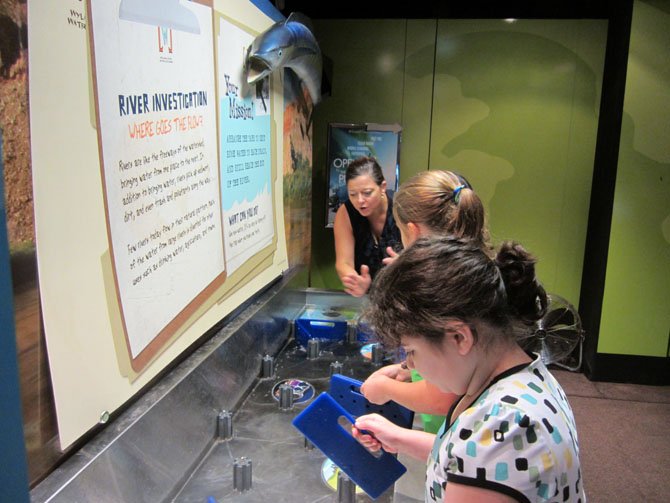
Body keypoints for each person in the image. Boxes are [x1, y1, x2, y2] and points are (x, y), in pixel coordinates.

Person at [354, 236, 585, 503]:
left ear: (460, 338)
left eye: (411, 351)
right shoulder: (521, 377)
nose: (411, 365)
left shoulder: (506, 428)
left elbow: (483, 457)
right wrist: (399, 438)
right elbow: (468, 461)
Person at [361, 170, 489, 434]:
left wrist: (386, 389)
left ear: (413, 231)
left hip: (461, 434)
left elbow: (441, 397)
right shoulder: (475, 273)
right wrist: (409, 370)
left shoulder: (441, 293)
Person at [333, 156, 402, 297]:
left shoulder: (402, 209)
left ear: (382, 187)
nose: (359, 201)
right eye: (352, 194)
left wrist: (405, 267)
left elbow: (425, 259)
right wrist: (355, 280)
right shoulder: (345, 213)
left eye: (367, 193)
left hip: (404, 297)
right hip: (367, 301)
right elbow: (344, 262)